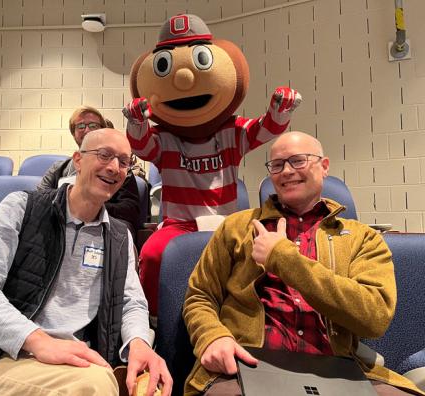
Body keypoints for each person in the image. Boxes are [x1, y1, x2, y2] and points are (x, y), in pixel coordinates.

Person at [182, 131, 423, 396]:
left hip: (340, 370)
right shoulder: (237, 227)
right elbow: (200, 296)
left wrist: (283, 258)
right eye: (276, 165)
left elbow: (374, 318)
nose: (286, 171)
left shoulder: (361, 238)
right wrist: (213, 336)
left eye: (298, 161)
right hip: (247, 366)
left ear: (324, 166)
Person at [0, 128, 172, 396]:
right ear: (77, 160)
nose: (114, 167)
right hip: (3, 354)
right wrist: (38, 340)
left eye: (123, 162)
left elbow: (131, 302)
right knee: (93, 386)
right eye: (104, 155)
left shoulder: (119, 235)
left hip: (77, 360)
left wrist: (139, 342)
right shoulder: (21, 208)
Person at [123, 13, 301, 317]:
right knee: (152, 254)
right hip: (179, 225)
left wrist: (279, 111)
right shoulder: (163, 137)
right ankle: (153, 317)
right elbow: (140, 145)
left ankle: (260, 316)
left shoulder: (231, 131)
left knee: (263, 256)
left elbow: (265, 129)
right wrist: (137, 122)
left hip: (228, 223)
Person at [39, 106, 141, 239]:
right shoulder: (58, 169)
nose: (86, 130)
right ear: (74, 133)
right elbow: (40, 200)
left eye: (93, 125)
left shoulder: (121, 170)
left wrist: (92, 208)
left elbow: (130, 210)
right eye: (80, 126)